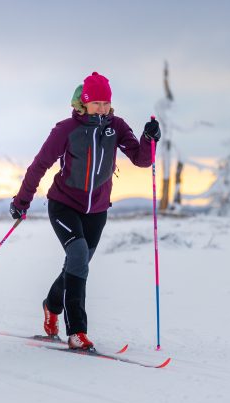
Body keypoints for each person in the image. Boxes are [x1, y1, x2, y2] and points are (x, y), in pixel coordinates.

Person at [10, 72, 160, 350]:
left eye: (106, 103)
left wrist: (149, 139)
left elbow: (141, 159)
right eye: (96, 103)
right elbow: (40, 164)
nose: (102, 108)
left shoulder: (116, 126)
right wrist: (21, 201)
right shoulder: (66, 129)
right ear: (84, 102)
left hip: (97, 210)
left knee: (76, 264)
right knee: (78, 256)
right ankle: (77, 332)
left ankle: (51, 305)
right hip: (64, 204)